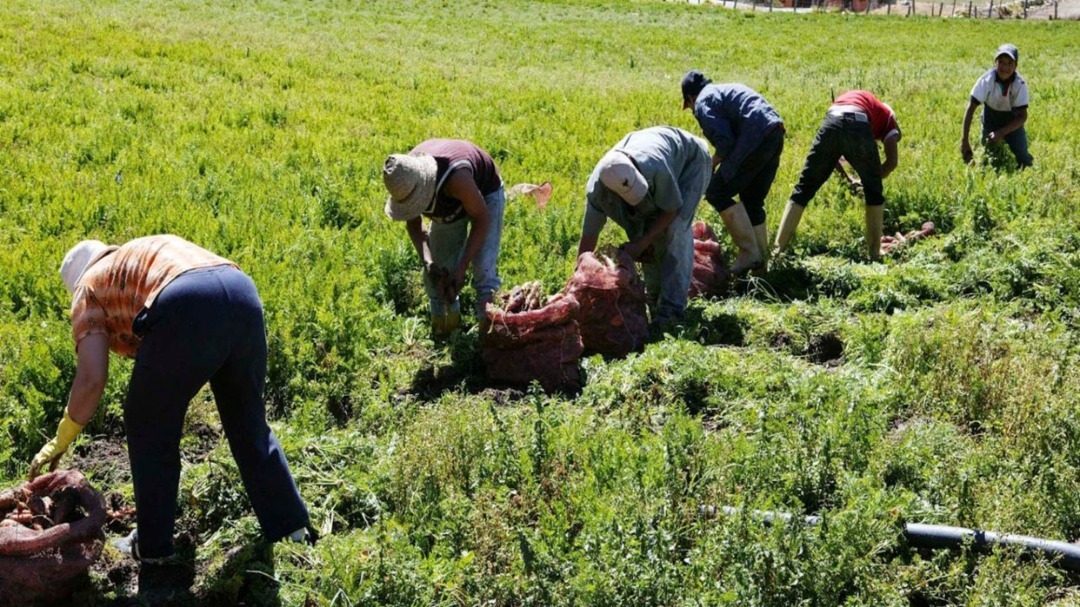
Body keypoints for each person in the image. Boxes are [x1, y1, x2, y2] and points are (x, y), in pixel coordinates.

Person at [29, 235, 312, 563]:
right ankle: (292, 529)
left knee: (146, 422)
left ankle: (152, 547)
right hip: (241, 290)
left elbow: (92, 378)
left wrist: (63, 436)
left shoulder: (88, 287)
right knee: (247, 421)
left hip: (186, 300)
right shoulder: (133, 261)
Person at [578, 126, 712, 327]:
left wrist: (642, 242)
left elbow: (671, 210)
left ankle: (672, 311)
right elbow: (588, 238)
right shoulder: (597, 192)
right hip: (646, 177)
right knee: (643, 232)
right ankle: (654, 299)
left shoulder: (655, 166)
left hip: (691, 163)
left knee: (675, 228)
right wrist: (579, 280)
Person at [382, 139, 505, 336]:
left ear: (425, 190)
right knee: (440, 271)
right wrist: (429, 262)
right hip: (448, 205)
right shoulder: (405, 179)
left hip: (485, 195)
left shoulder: (456, 178)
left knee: (483, 269)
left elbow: (482, 219)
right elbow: (414, 224)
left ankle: (490, 338)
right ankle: (446, 331)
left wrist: (463, 267)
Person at [773, 90, 902, 262]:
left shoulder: (864, 101)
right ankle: (874, 252)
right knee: (874, 194)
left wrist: (848, 179)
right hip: (858, 121)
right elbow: (892, 162)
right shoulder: (888, 120)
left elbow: (832, 155)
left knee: (802, 190)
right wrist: (871, 182)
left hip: (831, 121)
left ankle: (777, 251)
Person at [681, 70, 786, 274]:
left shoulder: (703, 102)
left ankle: (749, 253)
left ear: (691, 97)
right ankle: (761, 262)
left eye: (689, 105)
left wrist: (710, 165)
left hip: (754, 137)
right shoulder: (724, 90)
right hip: (774, 132)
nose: (693, 110)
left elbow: (726, 143)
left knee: (716, 192)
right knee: (752, 200)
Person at [961, 43, 1032, 169]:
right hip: (990, 121)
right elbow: (971, 108)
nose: (1005, 67)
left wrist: (1001, 132)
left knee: (1023, 159)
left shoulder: (1019, 85)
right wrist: (964, 141)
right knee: (990, 159)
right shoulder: (986, 80)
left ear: (1016, 66)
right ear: (995, 63)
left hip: (1012, 124)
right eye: (1001, 62)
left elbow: (1022, 116)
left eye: (1010, 63)